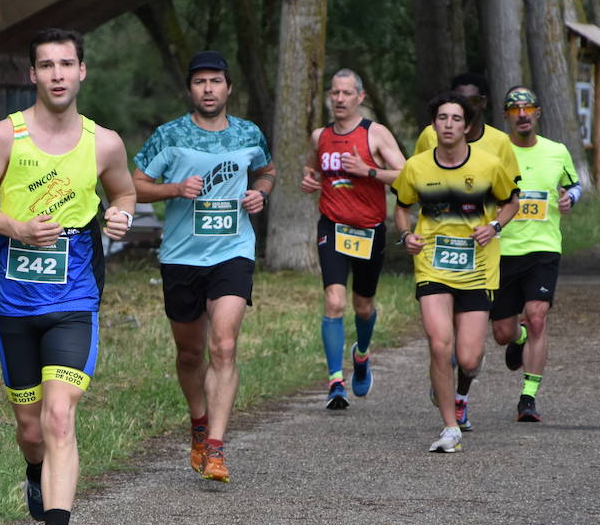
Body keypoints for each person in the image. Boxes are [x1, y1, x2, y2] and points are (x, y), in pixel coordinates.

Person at [0, 28, 136, 525]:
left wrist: (121, 217)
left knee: (61, 416)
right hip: (12, 304)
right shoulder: (3, 137)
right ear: (32, 75)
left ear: (83, 72)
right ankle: (34, 470)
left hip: (73, 302)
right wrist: (16, 226)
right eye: (46, 65)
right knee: (30, 428)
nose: (57, 74)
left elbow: (125, 192)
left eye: (67, 64)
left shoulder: (104, 143)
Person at [133, 50, 275, 482]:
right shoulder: (168, 135)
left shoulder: (248, 133)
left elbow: (266, 171)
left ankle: (215, 448)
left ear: (229, 88)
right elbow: (134, 185)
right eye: (200, 82)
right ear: (190, 89)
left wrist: (260, 194)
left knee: (224, 346)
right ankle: (198, 423)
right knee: (190, 352)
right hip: (180, 256)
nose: (208, 89)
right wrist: (175, 188)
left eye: (216, 81)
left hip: (233, 251)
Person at [392, 91, 520, 452]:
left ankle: (449, 381)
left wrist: (494, 227)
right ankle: (450, 427)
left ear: (467, 127)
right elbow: (401, 207)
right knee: (438, 344)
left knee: (468, 357)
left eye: (456, 119)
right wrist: (406, 235)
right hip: (432, 264)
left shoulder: (488, 165)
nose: (448, 125)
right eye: (442, 118)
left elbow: (512, 201)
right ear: (433, 125)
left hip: (477, 268)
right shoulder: (416, 166)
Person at [298, 69, 407, 409]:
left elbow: (408, 176)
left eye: (346, 93)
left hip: (369, 230)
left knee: (363, 306)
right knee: (334, 301)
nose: (340, 99)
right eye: (335, 93)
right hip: (332, 226)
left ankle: (361, 354)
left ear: (360, 97)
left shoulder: (375, 134)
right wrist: (310, 179)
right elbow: (312, 167)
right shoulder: (321, 135)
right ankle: (335, 383)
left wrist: (368, 171)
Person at [489, 86, 583, 423]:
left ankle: (527, 398)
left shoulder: (557, 152)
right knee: (502, 333)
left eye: (528, 108)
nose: (523, 115)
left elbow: (575, 184)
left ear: (539, 112)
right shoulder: (495, 154)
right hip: (502, 251)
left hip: (543, 248)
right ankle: (520, 336)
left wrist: (572, 198)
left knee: (538, 314)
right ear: (506, 117)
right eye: (515, 110)